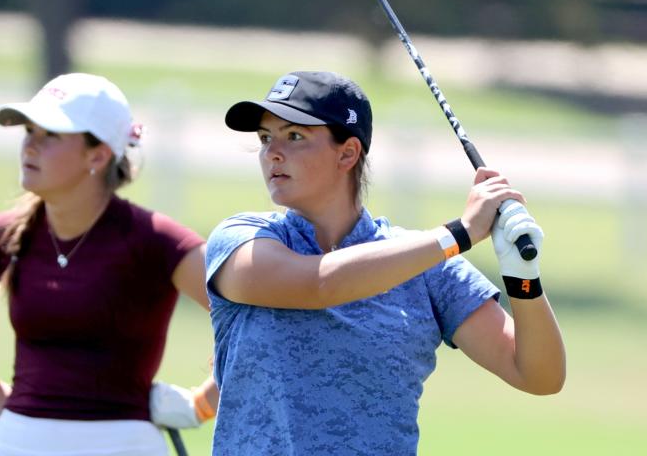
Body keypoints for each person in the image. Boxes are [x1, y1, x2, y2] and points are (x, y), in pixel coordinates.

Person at [205, 70, 566, 455]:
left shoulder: (429, 267)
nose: (272, 152)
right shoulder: (243, 240)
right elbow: (319, 284)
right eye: (265, 138)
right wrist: (458, 234)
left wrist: (523, 279)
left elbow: (538, 374)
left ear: (347, 153)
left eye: (294, 136)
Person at [0, 73, 217, 456]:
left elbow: (258, 324)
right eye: (29, 131)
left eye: (50, 135)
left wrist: (201, 405)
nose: (29, 146)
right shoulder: (4, 237)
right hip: (20, 444)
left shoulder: (154, 240)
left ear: (98, 155)